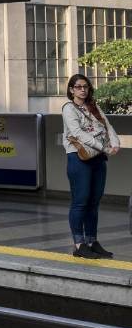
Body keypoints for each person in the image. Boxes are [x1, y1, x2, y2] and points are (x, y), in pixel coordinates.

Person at [62, 74, 120, 259]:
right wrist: (104, 147)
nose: (82, 90)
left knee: (94, 202)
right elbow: (77, 133)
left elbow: (107, 126)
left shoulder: (94, 107)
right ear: (71, 90)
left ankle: (92, 241)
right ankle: (79, 244)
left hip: (97, 158)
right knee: (81, 201)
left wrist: (115, 143)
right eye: (78, 87)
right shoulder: (69, 109)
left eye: (85, 86)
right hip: (78, 158)